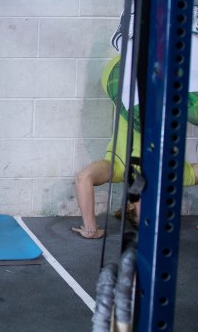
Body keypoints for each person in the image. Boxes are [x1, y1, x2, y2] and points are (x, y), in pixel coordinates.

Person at [73, 31, 198, 239]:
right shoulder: (170, 174)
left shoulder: (120, 167)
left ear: (131, 204)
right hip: (163, 79)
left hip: (123, 74)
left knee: (150, 115)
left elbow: (83, 178)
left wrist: (91, 229)